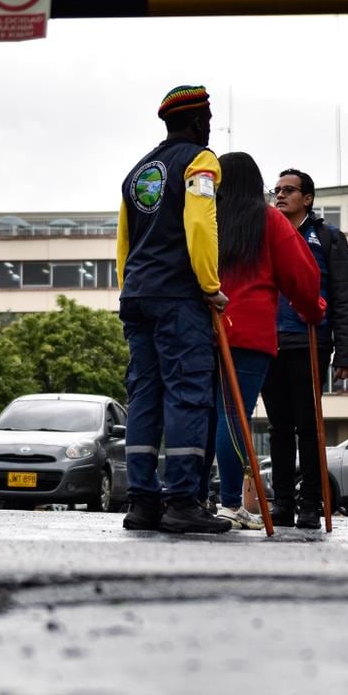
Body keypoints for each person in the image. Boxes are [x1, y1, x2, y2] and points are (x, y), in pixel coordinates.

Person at [117, 85, 230, 534]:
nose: (209, 126)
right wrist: (210, 285)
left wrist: (131, 289)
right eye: (207, 117)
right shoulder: (200, 161)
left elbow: (124, 241)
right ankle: (184, 501)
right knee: (188, 393)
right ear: (198, 119)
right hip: (179, 295)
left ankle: (142, 502)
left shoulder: (137, 171)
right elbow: (201, 222)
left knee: (145, 394)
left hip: (138, 294)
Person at [205, 152, 325, 530]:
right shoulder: (269, 220)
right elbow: (302, 276)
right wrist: (313, 308)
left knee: (205, 414)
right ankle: (229, 502)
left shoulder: (206, 218)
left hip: (204, 328)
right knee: (232, 414)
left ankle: (193, 496)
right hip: (250, 332)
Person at [260, 168, 348, 530]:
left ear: (308, 198)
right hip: (269, 342)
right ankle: (282, 501)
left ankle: (311, 502)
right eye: (277, 190)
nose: (280, 195)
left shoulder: (328, 238)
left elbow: (344, 297)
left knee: (309, 425)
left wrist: (346, 353)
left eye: (289, 190)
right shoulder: (265, 234)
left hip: (310, 341)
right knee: (278, 427)